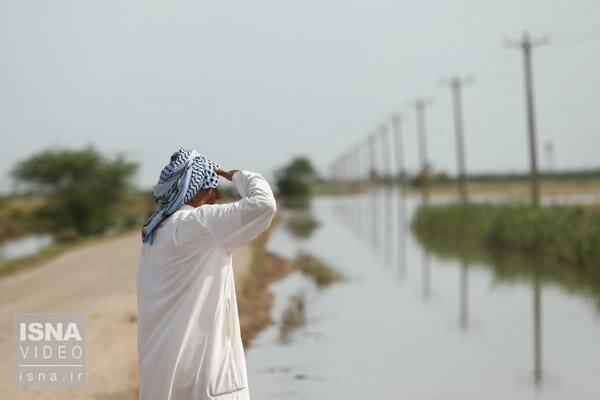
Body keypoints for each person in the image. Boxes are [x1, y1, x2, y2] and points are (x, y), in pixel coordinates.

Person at [137, 148, 276, 400]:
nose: (219, 194)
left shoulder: (155, 235)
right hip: (205, 379)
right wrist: (233, 175)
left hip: (159, 377)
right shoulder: (201, 224)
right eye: (213, 187)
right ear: (197, 189)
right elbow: (263, 203)